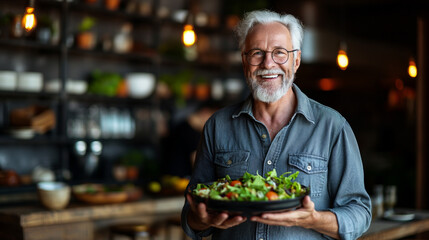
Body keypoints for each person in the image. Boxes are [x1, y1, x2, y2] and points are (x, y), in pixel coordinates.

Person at [181, 10, 371, 240]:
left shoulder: (333, 127)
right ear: (244, 61)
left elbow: (359, 213)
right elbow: (192, 214)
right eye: (257, 53)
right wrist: (200, 220)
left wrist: (314, 220)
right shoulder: (217, 126)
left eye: (280, 53)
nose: (268, 63)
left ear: (296, 60)